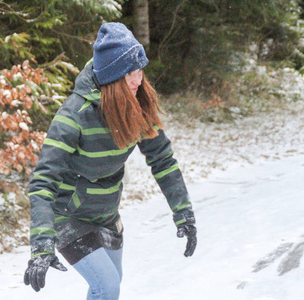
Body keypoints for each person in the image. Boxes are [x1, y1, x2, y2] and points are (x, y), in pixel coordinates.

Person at [23, 22, 197, 299]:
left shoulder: (136, 106)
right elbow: (43, 182)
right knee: (107, 286)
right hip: (68, 216)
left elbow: (162, 160)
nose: (137, 79)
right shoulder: (74, 116)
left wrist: (183, 212)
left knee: (110, 286)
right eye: (129, 72)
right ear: (111, 77)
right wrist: (42, 245)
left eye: (139, 69)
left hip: (106, 213)